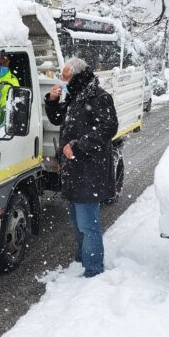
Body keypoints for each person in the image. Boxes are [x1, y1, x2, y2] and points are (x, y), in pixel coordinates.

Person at [45, 57, 118, 278]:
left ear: (78, 76)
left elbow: (109, 127)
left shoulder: (98, 96)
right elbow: (58, 120)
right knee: (76, 221)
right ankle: (81, 258)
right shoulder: (75, 95)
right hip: (73, 170)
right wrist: (51, 100)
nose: (61, 80)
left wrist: (78, 145)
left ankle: (93, 269)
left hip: (89, 170)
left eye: (65, 76)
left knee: (88, 224)